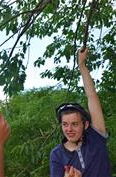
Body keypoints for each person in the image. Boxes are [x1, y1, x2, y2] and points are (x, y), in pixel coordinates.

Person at [50, 47, 112, 177]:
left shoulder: (96, 138)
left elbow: (92, 96)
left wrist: (82, 66)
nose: (69, 129)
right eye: (65, 124)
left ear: (86, 124)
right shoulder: (57, 154)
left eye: (75, 124)